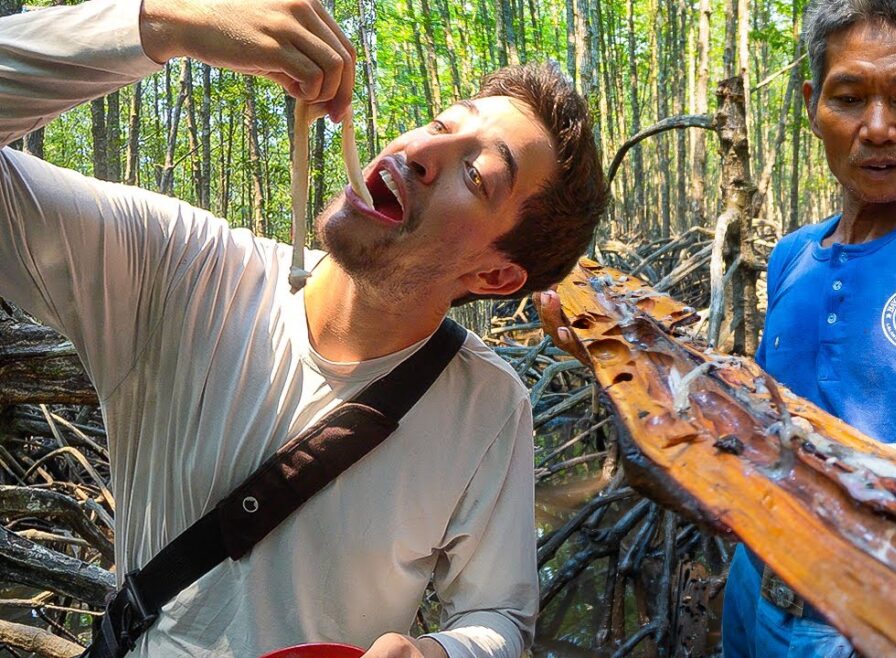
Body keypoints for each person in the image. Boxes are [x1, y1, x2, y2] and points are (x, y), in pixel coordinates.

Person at [0, 0, 607, 656]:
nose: (421, 148)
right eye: (440, 123)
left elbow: (500, 616)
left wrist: (439, 652)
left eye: (475, 174)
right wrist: (161, 23)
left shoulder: (486, 407)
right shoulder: (177, 272)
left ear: (494, 277)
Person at [535, 0, 896, 656]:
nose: (878, 128)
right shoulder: (791, 256)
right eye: (849, 97)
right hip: (754, 597)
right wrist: (610, 358)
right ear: (812, 105)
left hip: (888, 619)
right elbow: (760, 427)